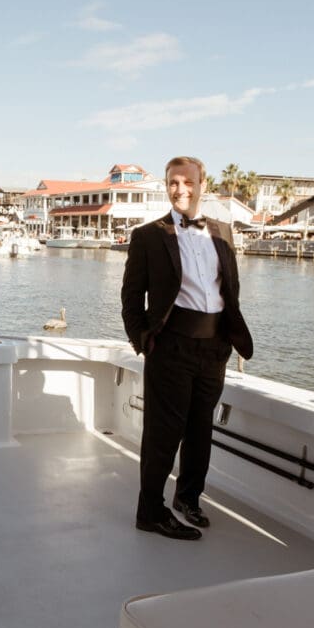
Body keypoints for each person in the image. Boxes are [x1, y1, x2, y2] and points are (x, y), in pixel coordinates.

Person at [120, 156, 253, 541]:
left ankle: (188, 498)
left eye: (188, 182)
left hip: (214, 348)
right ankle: (150, 510)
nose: (180, 189)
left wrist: (226, 339)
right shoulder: (148, 236)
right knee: (164, 433)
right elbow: (131, 298)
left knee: (200, 431)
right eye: (173, 183)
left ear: (202, 184)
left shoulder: (223, 232)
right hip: (171, 347)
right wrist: (143, 342)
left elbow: (229, 289)